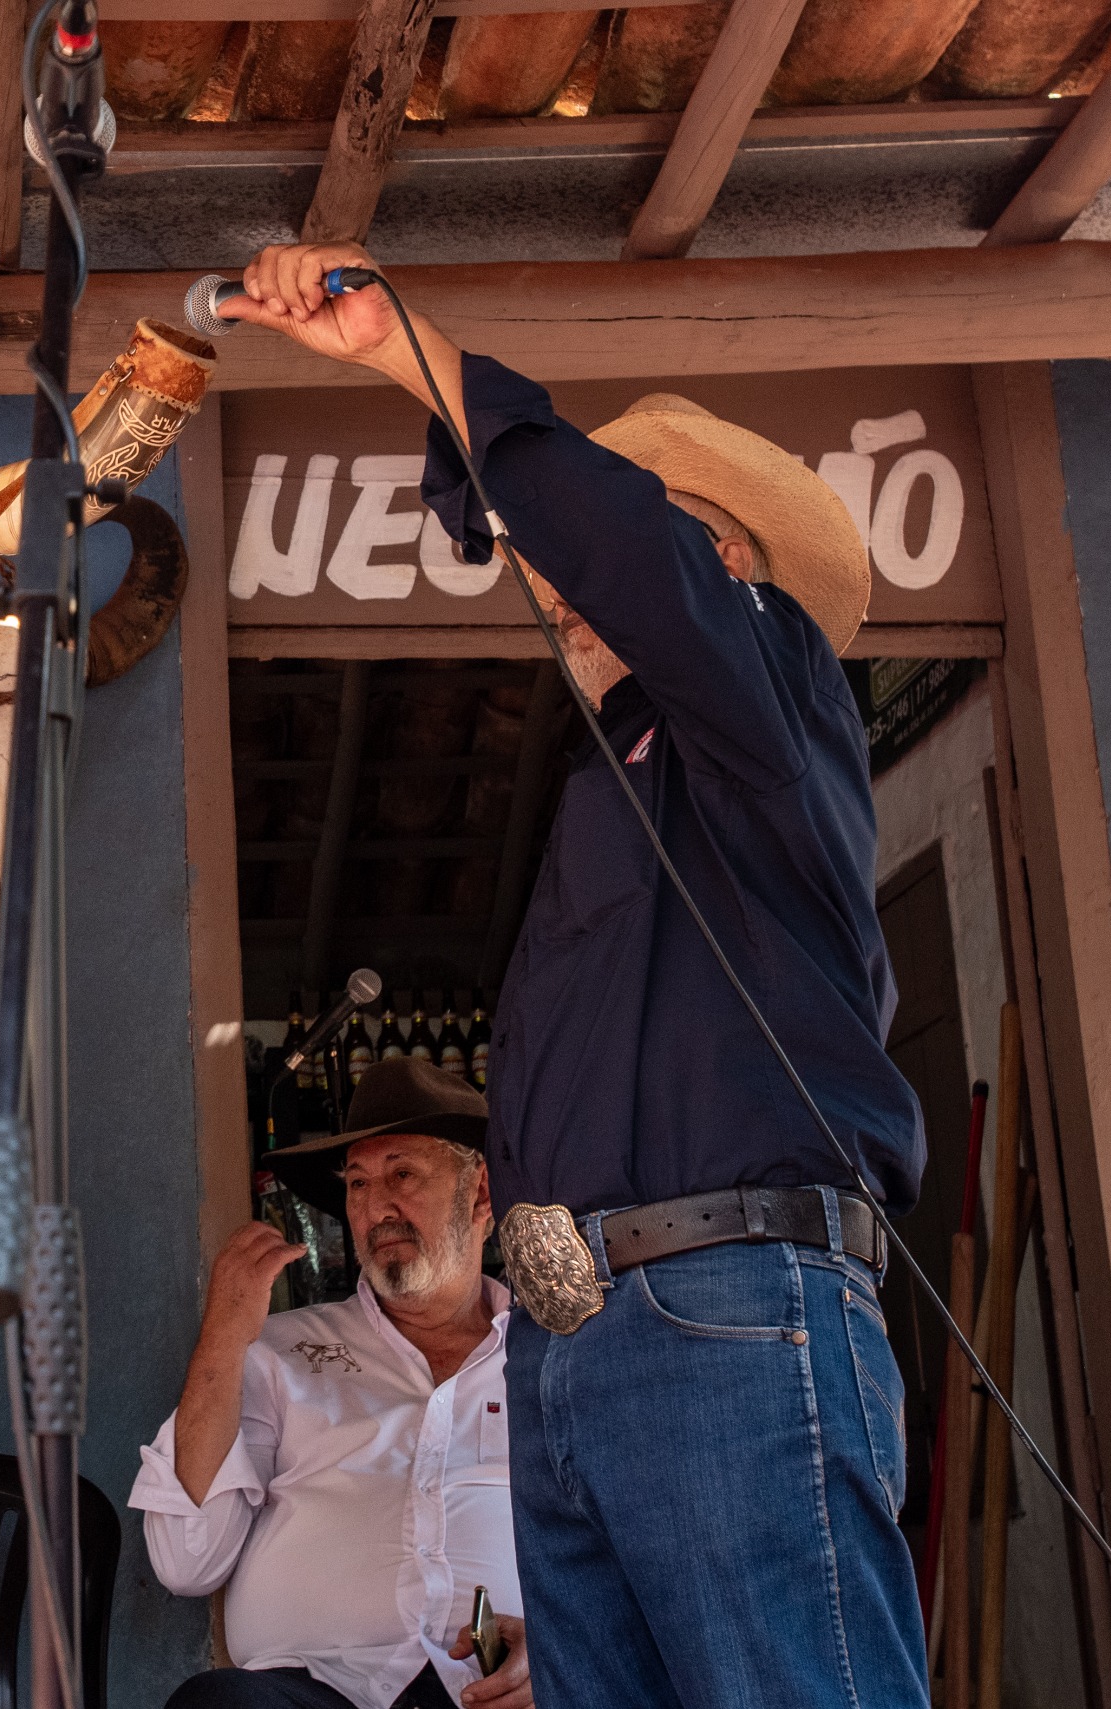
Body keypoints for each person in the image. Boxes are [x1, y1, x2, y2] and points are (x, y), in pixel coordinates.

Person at [225, 246, 927, 1709]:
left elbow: (633, 554)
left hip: (725, 1302)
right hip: (579, 1337)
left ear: (717, 564)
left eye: (625, 551)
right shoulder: (629, 779)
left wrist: (423, 366)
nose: (566, 587)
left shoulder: (769, 681)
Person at [135, 1059, 531, 1709]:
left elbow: (629, 1551)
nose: (377, 1205)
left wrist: (563, 1654)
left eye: (402, 1173)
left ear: (480, 1193)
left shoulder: (550, 1359)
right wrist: (224, 1335)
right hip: (315, 1691)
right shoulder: (276, 1350)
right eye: (357, 1182)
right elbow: (186, 1560)